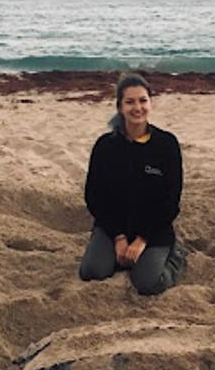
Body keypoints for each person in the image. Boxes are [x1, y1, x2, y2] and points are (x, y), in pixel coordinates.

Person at [79, 74, 186, 295]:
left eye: (143, 100)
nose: (137, 107)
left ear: (150, 103)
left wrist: (141, 240)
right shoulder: (105, 146)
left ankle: (175, 254)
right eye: (130, 102)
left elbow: (170, 202)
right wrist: (118, 237)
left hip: (153, 228)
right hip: (113, 226)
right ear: (119, 107)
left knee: (148, 283)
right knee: (92, 271)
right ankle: (112, 252)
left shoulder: (166, 144)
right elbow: (94, 197)